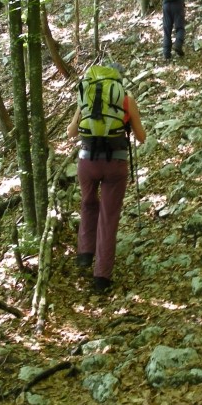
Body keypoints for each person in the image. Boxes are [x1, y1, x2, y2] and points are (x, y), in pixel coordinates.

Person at [67, 64, 147, 294]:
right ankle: (101, 277)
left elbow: (71, 132)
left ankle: (84, 254)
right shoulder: (126, 99)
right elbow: (141, 137)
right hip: (115, 164)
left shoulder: (87, 96)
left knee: (88, 204)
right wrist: (129, 124)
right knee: (109, 217)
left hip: (86, 161)